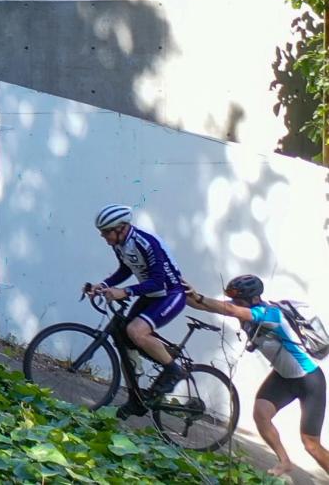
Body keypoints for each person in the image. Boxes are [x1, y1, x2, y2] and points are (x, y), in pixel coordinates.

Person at [185, 275, 329, 477]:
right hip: (283, 377)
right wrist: (178, 289)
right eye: (234, 299)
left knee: (311, 444)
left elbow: (230, 309)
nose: (235, 303)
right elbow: (208, 306)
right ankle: (285, 462)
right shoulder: (246, 311)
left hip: (309, 380)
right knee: (261, 414)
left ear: (253, 299)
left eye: (239, 300)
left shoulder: (269, 314)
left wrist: (199, 297)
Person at [87, 204, 187, 419]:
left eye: (106, 232)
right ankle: (136, 398)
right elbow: (125, 269)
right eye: (101, 232)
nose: (104, 237)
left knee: (136, 331)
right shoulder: (120, 243)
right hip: (151, 294)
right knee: (123, 341)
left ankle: (173, 370)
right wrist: (103, 285)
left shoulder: (146, 243)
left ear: (121, 228)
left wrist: (126, 291)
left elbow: (158, 282)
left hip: (170, 293)